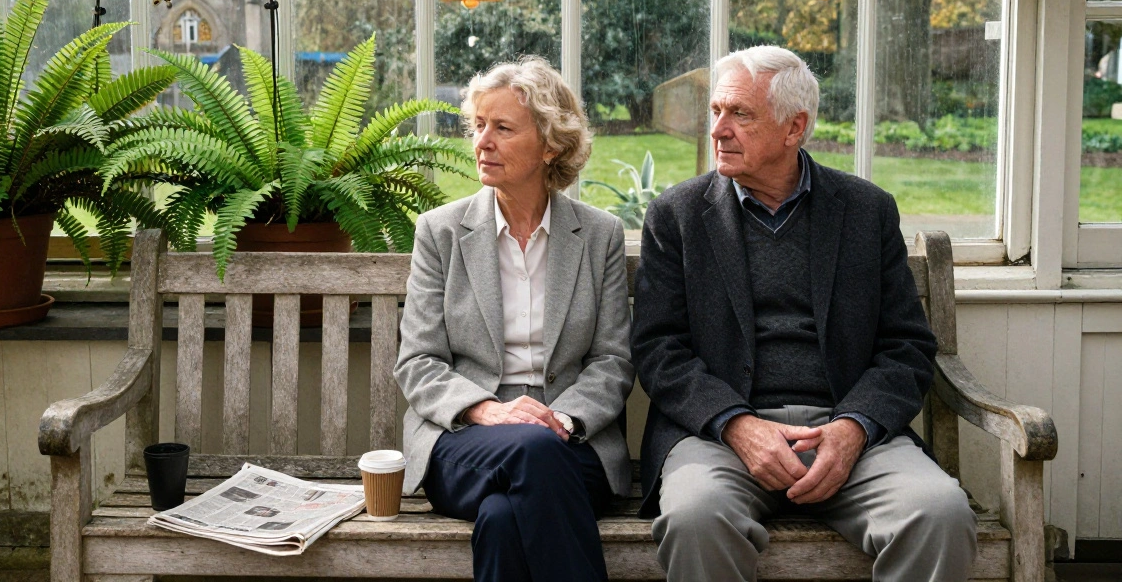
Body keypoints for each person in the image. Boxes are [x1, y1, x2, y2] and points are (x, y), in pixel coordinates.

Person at [631, 45, 977, 582]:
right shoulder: (677, 216)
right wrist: (737, 425)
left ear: (794, 128)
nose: (719, 129)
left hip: (848, 432)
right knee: (696, 515)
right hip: (720, 437)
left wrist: (853, 429)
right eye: (717, 111)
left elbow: (906, 347)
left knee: (939, 511)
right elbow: (658, 349)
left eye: (739, 114)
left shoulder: (866, 210)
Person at [394, 56, 634, 582]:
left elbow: (612, 362)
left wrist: (563, 421)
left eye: (503, 128)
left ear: (550, 144)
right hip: (463, 440)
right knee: (530, 451)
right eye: (479, 125)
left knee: (503, 518)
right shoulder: (441, 232)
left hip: (573, 441)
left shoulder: (598, 236)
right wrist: (488, 411)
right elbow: (418, 362)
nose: (483, 141)